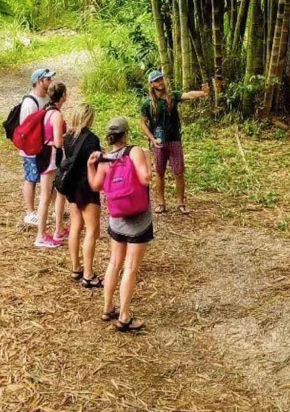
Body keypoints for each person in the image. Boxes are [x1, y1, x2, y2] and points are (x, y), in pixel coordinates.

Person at [88, 116, 152, 333]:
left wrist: (90, 166)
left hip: (117, 220)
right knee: (131, 267)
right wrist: (147, 157)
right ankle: (123, 316)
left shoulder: (105, 159)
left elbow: (96, 186)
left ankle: (107, 308)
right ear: (126, 134)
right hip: (138, 220)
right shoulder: (134, 151)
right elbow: (146, 178)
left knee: (114, 262)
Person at [139, 69, 208, 215]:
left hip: (174, 140)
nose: (160, 82)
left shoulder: (172, 96)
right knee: (159, 172)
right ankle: (161, 203)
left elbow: (188, 95)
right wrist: (151, 138)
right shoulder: (147, 104)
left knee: (179, 172)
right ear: (151, 84)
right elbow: (143, 123)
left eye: (161, 79)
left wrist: (202, 93)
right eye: (157, 80)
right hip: (159, 143)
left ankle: (181, 202)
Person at [61, 103, 102, 287]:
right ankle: (88, 273)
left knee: (76, 226)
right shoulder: (91, 139)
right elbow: (96, 163)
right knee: (92, 230)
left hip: (71, 186)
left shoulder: (68, 137)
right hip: (86, 187)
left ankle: (76, 267)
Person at [18, 67, 54, 226]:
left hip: (45, 147)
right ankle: (30, 212)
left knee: (49, 178)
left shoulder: (46, 99)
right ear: (39, 81)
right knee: (31, 178)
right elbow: (25, 129)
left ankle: (53, 208)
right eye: (47, 79)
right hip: (31, 149)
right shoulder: (29, 103)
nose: (50, 82)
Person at [35, 82, 67, 249]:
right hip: (51, 157)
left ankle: (58, 229)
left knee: (56, 194)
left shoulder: (46, 110)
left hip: (44, 155)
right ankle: (40, 235)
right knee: (46, 197)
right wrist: (67, 136)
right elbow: (58, 141)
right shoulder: (56, 115)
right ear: (62, 96)